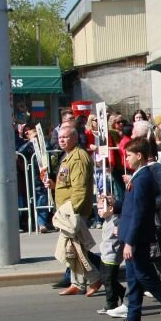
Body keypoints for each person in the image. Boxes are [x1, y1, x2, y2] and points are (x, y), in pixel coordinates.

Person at [107, 137, 161, 321]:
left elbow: (140, 213)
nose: (126, 159)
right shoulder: (138, 177)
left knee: (146, 277)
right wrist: (114, 204)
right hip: (131, 235)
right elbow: (131, 206)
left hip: (138, 238)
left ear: (139, 156)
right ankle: (133, 317)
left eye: (129, 155)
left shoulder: (143, 178)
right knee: (133, 278)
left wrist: (130, 242)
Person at [45, 123, 99, 295]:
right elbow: (65, 184)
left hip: (73, 211)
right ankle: (78, 283)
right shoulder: (67, 156)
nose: (61, 140)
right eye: (60, 137)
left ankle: (94, 279)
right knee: (72, 249)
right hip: (65, 210)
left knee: (77, 248)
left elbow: (80, 188)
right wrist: (53, 186)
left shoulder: (78, 157)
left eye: (66, 137)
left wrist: (71, 211)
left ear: (75, 138)